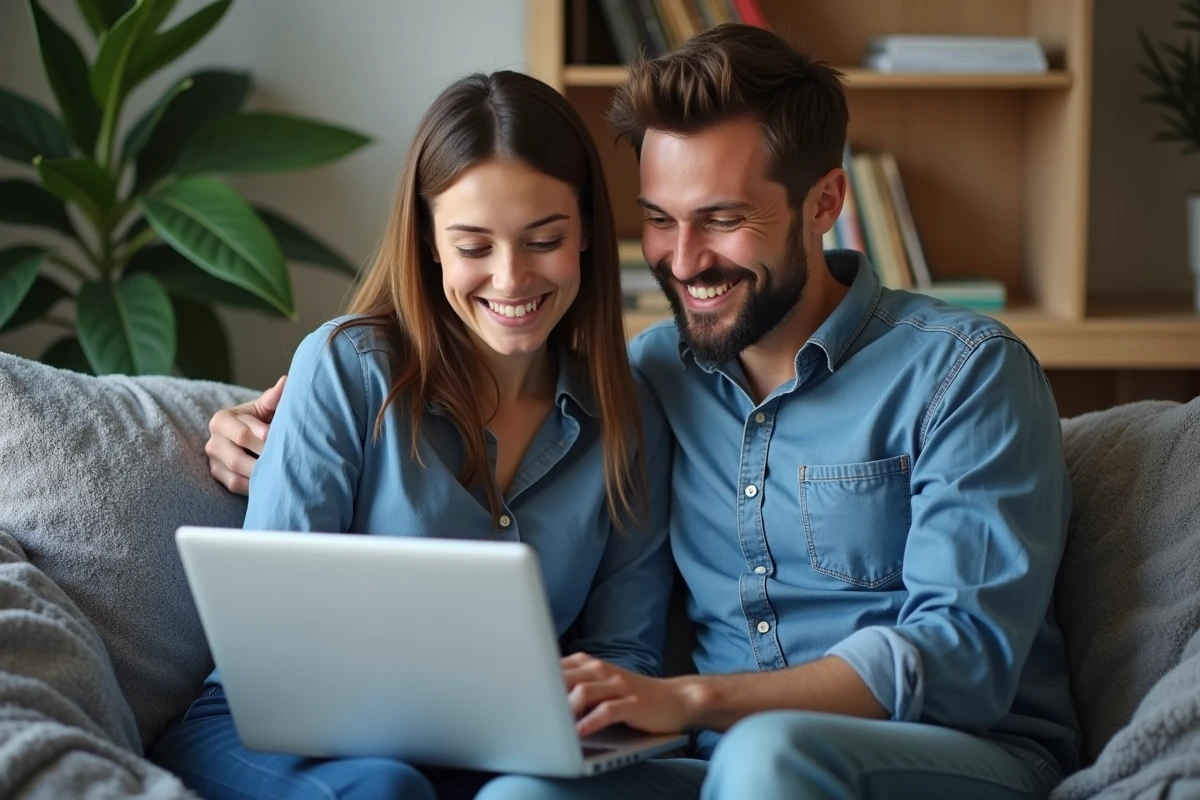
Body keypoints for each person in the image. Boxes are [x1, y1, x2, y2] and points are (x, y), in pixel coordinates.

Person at [208, 25, 1082, 800]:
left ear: (824, 203)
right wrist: (255, 432)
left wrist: (695, 697)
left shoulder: (966, 372)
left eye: (724, 219)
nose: (684, 259)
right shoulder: (654, 378)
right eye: (660, 220)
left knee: (769, 761)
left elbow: (967, 657)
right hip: (708, 761)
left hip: (949, 753)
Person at [152, 69, 676, 800]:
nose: (511, 278)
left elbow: (625, 651)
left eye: (544, 239)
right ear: (429, 241)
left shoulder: (630, 414)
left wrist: (572, 712)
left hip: (495, 753)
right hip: (276, 730)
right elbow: (275, 630)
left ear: (587, 230)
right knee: (385, 789)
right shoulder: (347, 369)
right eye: (473, 245)